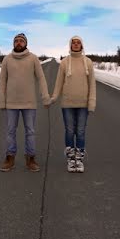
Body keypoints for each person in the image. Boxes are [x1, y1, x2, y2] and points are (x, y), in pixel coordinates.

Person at [0, 32, 51, 172]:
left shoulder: (33, 59)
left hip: (29, 103)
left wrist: (45, 97)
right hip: (11, 103)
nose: (19, 43)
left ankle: (31, 158)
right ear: (13, 44)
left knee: (30, 132)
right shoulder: (7, 59)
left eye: (21, 41)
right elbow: (2, 81)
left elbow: (41, 78)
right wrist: (1, 101)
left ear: (26, 43)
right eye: (16, 41)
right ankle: (10, 157)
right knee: (10, 131)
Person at [51, 35, 96, 173]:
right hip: (67, 104)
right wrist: (53, 98)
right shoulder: (65, 62)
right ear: (70, 45)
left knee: (81, 132)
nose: (76, 45)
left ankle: (79, 159)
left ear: (82, 46)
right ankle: (71, 159)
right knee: (70, 131)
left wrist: (91, 102)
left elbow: (92, 84)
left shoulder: (87, 62)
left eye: (78, 43)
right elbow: (59, 82)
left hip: (83, 104)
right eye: (73, 43)